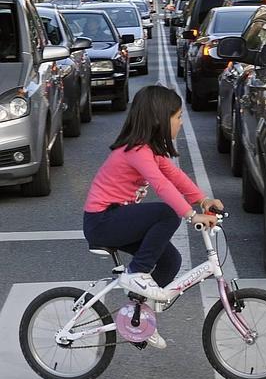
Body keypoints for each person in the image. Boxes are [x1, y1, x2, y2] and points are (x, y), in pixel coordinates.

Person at [83, 85, 224, 349]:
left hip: (115, 219)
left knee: (171, 259)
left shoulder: (148, 150)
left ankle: (137, 319)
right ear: (160, 119)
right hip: (102, 221)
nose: (181, 122)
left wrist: (203, 200)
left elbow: (175, 176)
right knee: (166, 213)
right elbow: (161, 185)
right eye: (178, 117)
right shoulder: (136, 151)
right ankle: (136, 273)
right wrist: (191, 214)